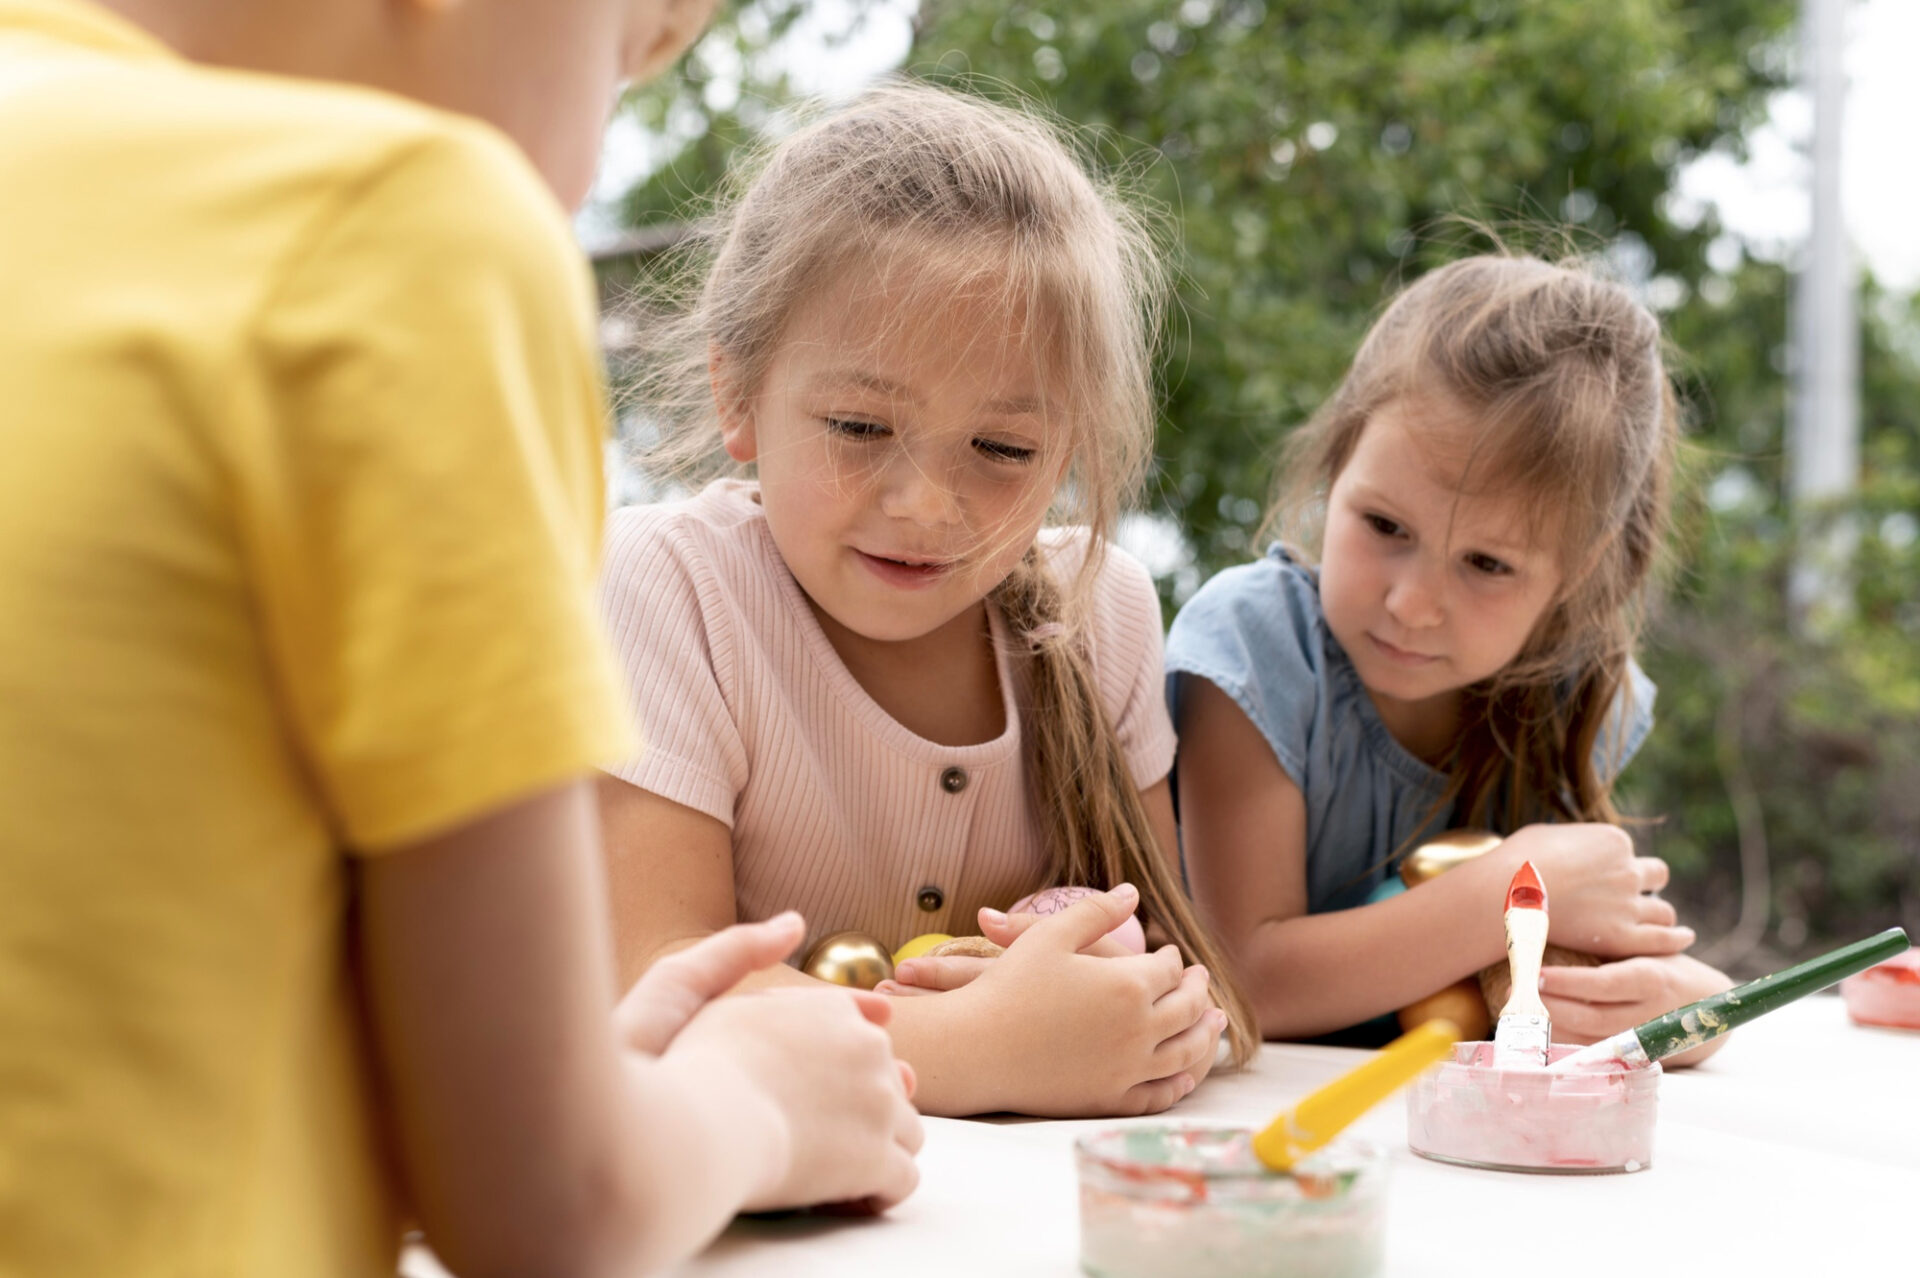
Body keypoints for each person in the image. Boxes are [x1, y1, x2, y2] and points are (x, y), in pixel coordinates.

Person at [0, 3, 921, 1276]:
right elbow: (551, 1215)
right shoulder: (398, 225)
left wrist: (594, 1082)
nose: (590, 171)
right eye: (626, 59)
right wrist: (759, 1097)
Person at [597, 81, 1259, 1119]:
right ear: (738, 396)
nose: (926, 505)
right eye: (860, 428)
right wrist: (971, 1045)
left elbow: (1179, 975)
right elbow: (660, 985)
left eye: (1002, 449)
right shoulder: (667, 588)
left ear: (1071, 448)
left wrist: (1147, 1025)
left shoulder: (1104, 612)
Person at [1165, 253, 1733, 1062]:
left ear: (1575, 579)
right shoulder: (1254, 647)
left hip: (1445, 1138)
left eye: (1488, 565)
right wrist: (1520, 883)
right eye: (1385, 527)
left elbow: (1583, 963)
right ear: (1336, 466)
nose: (1412, 604)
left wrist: (1681, 1005)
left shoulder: (1577, 693)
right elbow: (1246, 981)